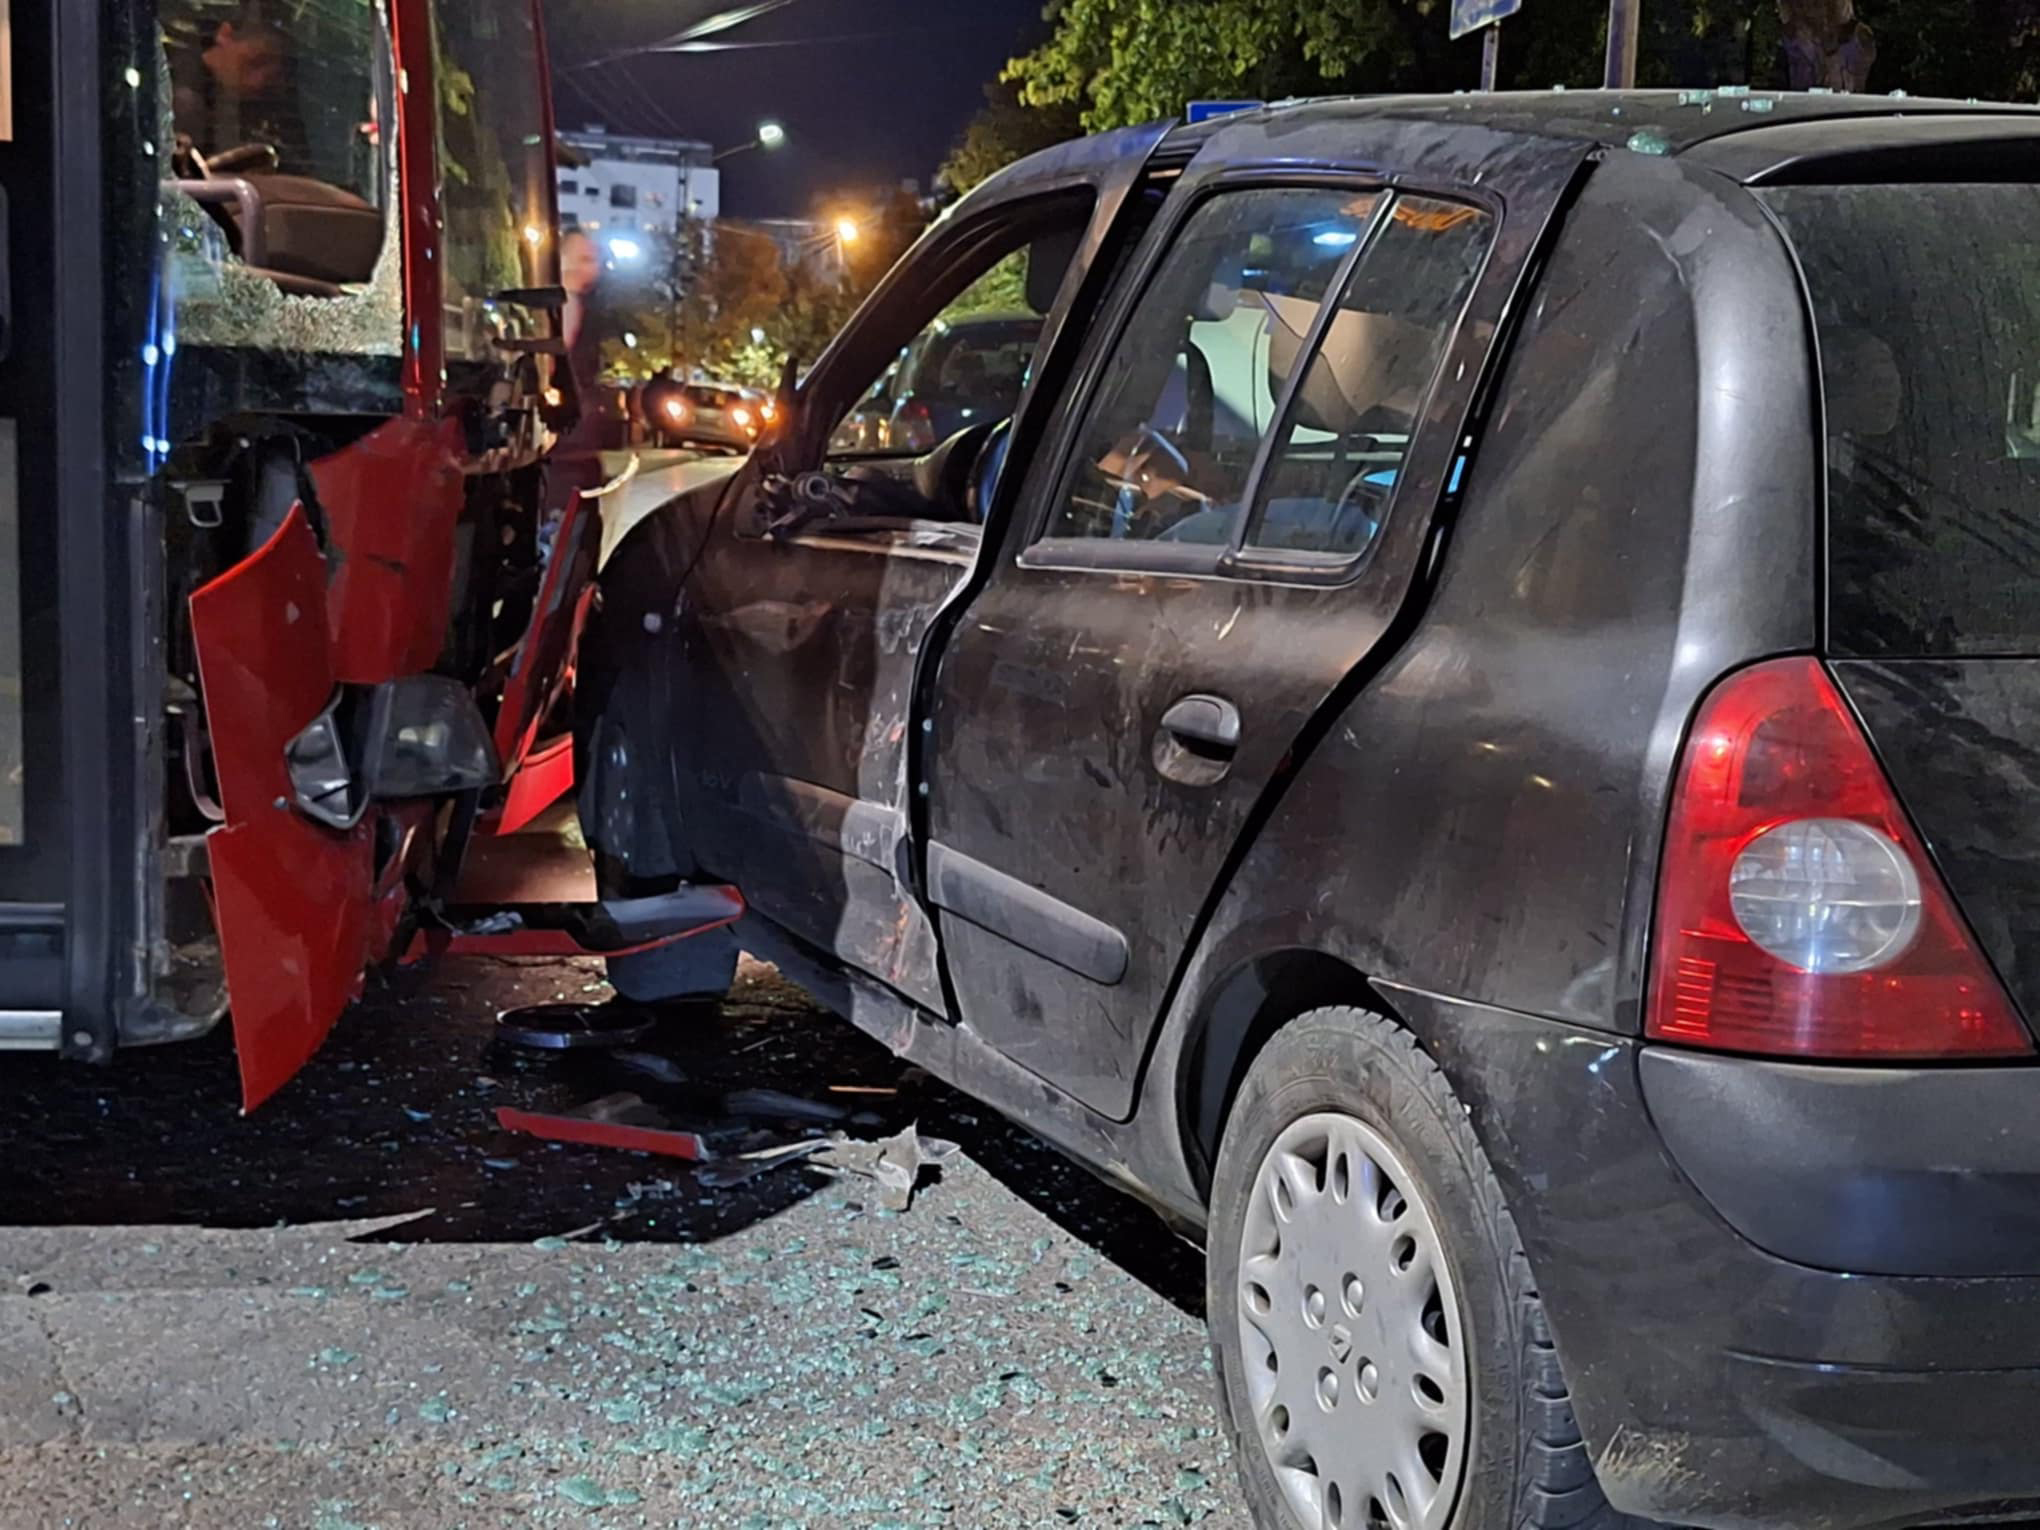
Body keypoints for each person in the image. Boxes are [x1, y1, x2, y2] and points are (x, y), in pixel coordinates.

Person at [165, 4, 309, 171]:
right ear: (225, 34)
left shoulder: (251, 117)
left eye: (272, 77)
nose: (258, 82)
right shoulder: (180, 98)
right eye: (256, 62)